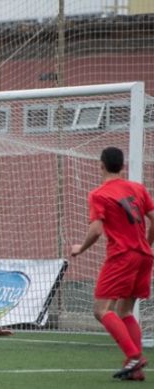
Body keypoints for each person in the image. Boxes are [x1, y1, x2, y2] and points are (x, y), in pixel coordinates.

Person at [71, 146, 151, 381]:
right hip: (144, 256)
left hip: (122, 256)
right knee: (125, 310)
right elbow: (153, 218)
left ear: (101, 164)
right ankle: (135, 369)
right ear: (122, 166)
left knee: (101, 310)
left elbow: (96, 230)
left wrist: (80, 248)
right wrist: (146, 244)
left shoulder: (99, 194)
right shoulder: (137, 188)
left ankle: (134, 356)